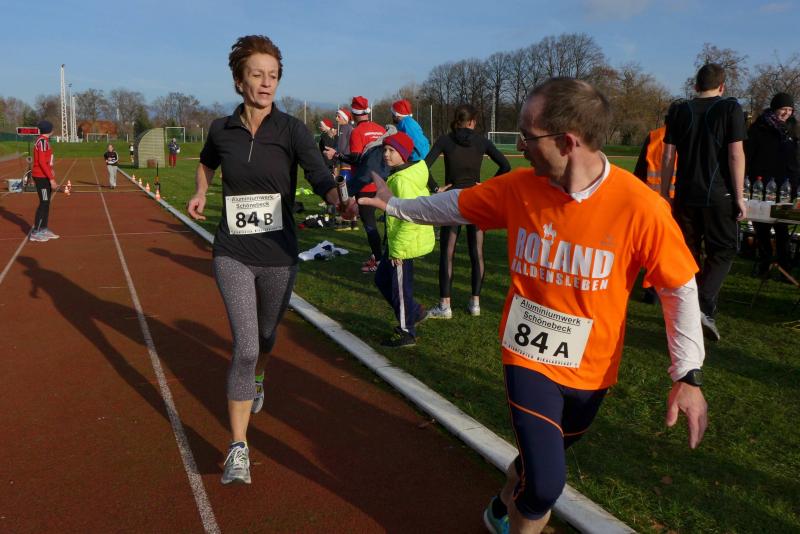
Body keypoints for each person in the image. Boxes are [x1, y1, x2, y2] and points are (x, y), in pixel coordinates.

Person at [360, 78, 708, 534]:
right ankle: (521, 502)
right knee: (545, 485)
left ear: (567, 142)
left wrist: (687, 374)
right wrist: (395, 205)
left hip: (592, 370)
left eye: (528, 136)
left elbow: (679, 289)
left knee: (533, 468)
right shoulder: (520, 187)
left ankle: (505, 501)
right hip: (527, 355)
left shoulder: (641, 207)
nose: (520, 146)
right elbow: (455, 205)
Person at [186, 35, 347, 486]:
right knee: (246, 345)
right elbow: (206, 163)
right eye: (256, 74)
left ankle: (258, 379)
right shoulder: (221, 129)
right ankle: (238, 446)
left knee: (267, 337)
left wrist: (338, 199)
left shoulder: (292, 130)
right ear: (239, 81)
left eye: (272, 75)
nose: (266, 83)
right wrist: (201, 191)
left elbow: (319, 174)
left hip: (279, 254)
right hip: (233, 252)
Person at [661, 63, 747, 341]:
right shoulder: (730, 108)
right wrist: (739, 196)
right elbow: (735, 154)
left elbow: (667, 156)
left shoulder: (679, 109)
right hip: (717, 194)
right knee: (723, 250)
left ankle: (689, 310)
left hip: (685, 195)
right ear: (722, 86)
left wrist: (664, 193)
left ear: (696, 85)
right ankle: (703, 305)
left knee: (688, 255)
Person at [424, 104, 511, 319]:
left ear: (457, 120)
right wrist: (488, 187)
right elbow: (505, 166)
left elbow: (423, 166)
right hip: (476, 200)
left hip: (452, 199)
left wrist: (435, 188)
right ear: (472, 122)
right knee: (477, 252)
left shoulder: (445, 140)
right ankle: (475, 303)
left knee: (448, 253)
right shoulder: (481, 141)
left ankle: (445, 306)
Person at [373, 131, 434, 347]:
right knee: (381, 279)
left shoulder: (402, 180)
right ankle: (415, 312)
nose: (386, 154)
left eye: (392, 150)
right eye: (385, 150)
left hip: (403, 245)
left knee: (400, 289)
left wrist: (397, 250)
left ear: (404, 154)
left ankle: (407, 332)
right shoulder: (399, 174)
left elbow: (409, 218)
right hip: (396, 242)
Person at [324, 96, 386, 272]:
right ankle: (381, 256)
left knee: (370, 224)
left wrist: (336, 155)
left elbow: (356, 158)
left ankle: (379, 261)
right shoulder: (381, 129)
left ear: (353, 113)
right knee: (388, 223)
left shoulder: (357, 132)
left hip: (365, 185)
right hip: (383, 183)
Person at [745, 92, 798, 276]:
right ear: (775, 108)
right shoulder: (759, 127)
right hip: (761, 185)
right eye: (783, 109)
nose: (787, 113)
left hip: (785, 187)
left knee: (782, 228)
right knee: (762, 228)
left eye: (790, 109)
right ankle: (764, 263)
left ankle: (784, 266)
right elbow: (748, 155)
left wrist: (794, 183)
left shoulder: (793, 129)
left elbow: (796, 159)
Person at [633, 119, 677, 304]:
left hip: (652, 199)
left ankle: (652, 291)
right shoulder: (691, 135)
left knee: (652, 247)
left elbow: (640, 172)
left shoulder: (654, 136)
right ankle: (669, 287)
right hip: (679, 200)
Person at [29, 120, 59, 242]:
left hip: (44, 175)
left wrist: (51, 170)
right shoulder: (41, 141)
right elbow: (41, 162)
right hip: (41, 177)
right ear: (49, 130)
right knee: (44, 202)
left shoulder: (44, 141)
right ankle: (36, 232)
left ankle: (43, 228)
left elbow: (46, 160)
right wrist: (51, 179)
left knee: (46, 203)